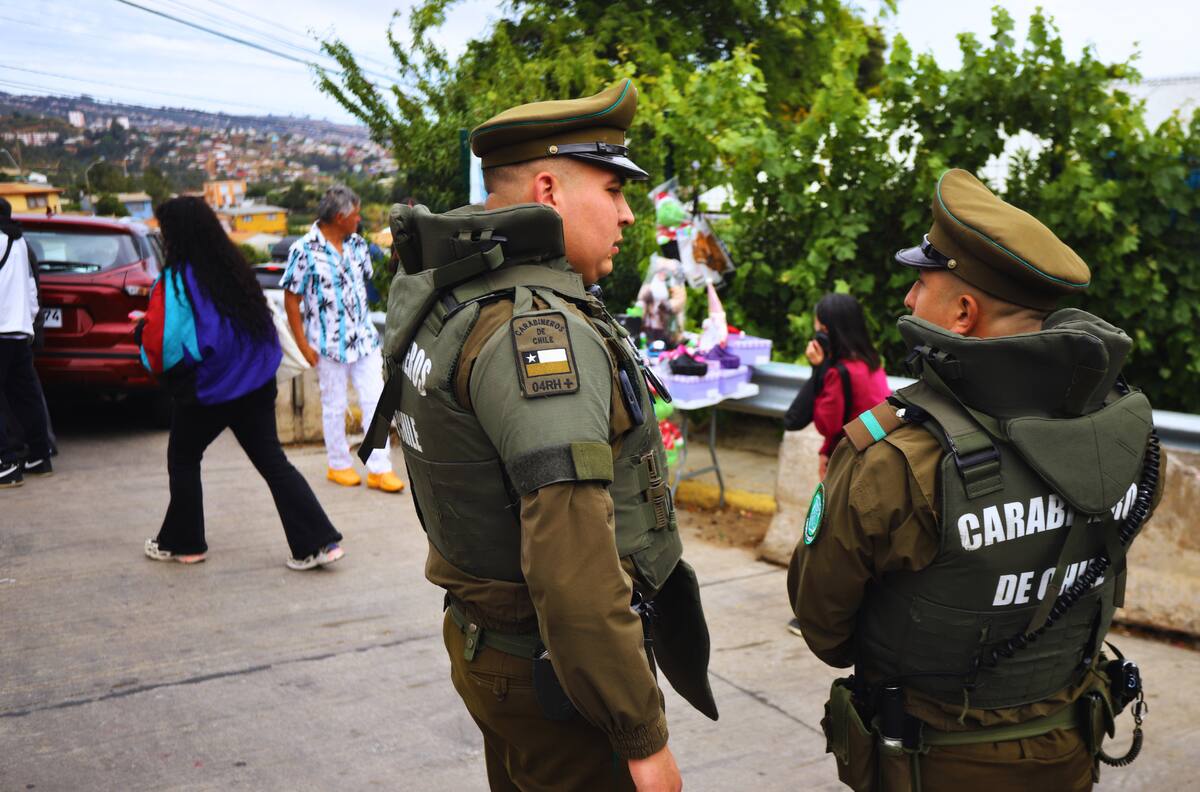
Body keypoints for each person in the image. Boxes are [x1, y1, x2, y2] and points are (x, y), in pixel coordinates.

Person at [358, 79, 718, 791]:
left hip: (490, 641)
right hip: (556, 671)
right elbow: (572, 566)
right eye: (614, 190)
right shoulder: (537, 335)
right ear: (550, 189)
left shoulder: (452, 294)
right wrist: (641, 737)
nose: (627, 214)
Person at [788, 169, 1167, 791]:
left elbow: (824, 625)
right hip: (1071, 747)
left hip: (933, 763)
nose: (910, 300)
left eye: (920, 282)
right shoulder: (1126, 435)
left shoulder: (898, 457)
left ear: (963, 312)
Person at [139, 197, 344, 570]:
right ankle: (320, 543)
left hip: (209, 390)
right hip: (256, 382)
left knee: (183, 457)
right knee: (272, 461)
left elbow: (165, 345)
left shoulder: (176, 281)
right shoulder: (234, 269)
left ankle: (186, 544)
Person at [280, 185, 404, 494]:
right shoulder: (303, 250)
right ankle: (338, 464)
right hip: (326, 344)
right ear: (340, 217)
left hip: (362, 340)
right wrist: (302, 344)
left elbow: (361, 284)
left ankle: (379, 468)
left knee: (376, 401)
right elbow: (291, 299)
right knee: (333, 405)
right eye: (356, 214)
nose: (359, 220)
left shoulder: (358, 245)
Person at [786, 293, 891, 478]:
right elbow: (852, 417)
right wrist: (827, 450)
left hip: (852, 466)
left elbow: (827, 426)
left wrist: (819, 369)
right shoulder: (872, 364)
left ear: (824, 332)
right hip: (873, 456)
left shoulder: (839, 374)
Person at [0, 197, 53, 488]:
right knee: (27, 396)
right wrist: (29, 322)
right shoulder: (20, 243)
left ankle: (5, 463)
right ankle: (39, 455)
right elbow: (32, 288)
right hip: (20, 332)